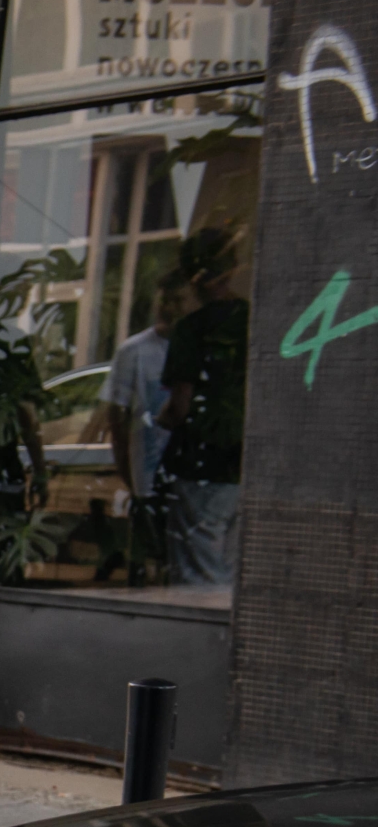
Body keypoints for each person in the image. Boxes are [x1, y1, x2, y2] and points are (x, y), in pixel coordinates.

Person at [157, 228, 249, 588]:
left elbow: (180, 405)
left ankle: (199, 642)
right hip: (244, 462)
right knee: (231, 563)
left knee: (197, 566)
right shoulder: (254, 320)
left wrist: (157, 421)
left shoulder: (192, 330)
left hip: (201, 460)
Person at [101, 273, 189, 577]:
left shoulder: (197, 348)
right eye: (163, 300)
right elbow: (117, 415)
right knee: (145, 556)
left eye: (177, 301)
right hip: (147, 473)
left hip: (188, 474)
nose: (169, 308)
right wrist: (127, 470)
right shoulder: (134, 351)